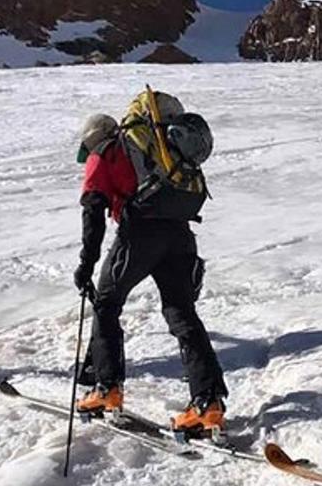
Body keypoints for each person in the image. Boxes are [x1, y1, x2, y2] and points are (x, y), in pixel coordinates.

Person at [72, 92, 228, 435]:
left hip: (140, 232)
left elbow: (93, 210)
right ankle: (208, 402)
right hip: (179, 232)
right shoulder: (150, 150)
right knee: (182, 313)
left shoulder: (105, 152)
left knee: (107, 305)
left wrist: (87, 263)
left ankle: (106, 388)